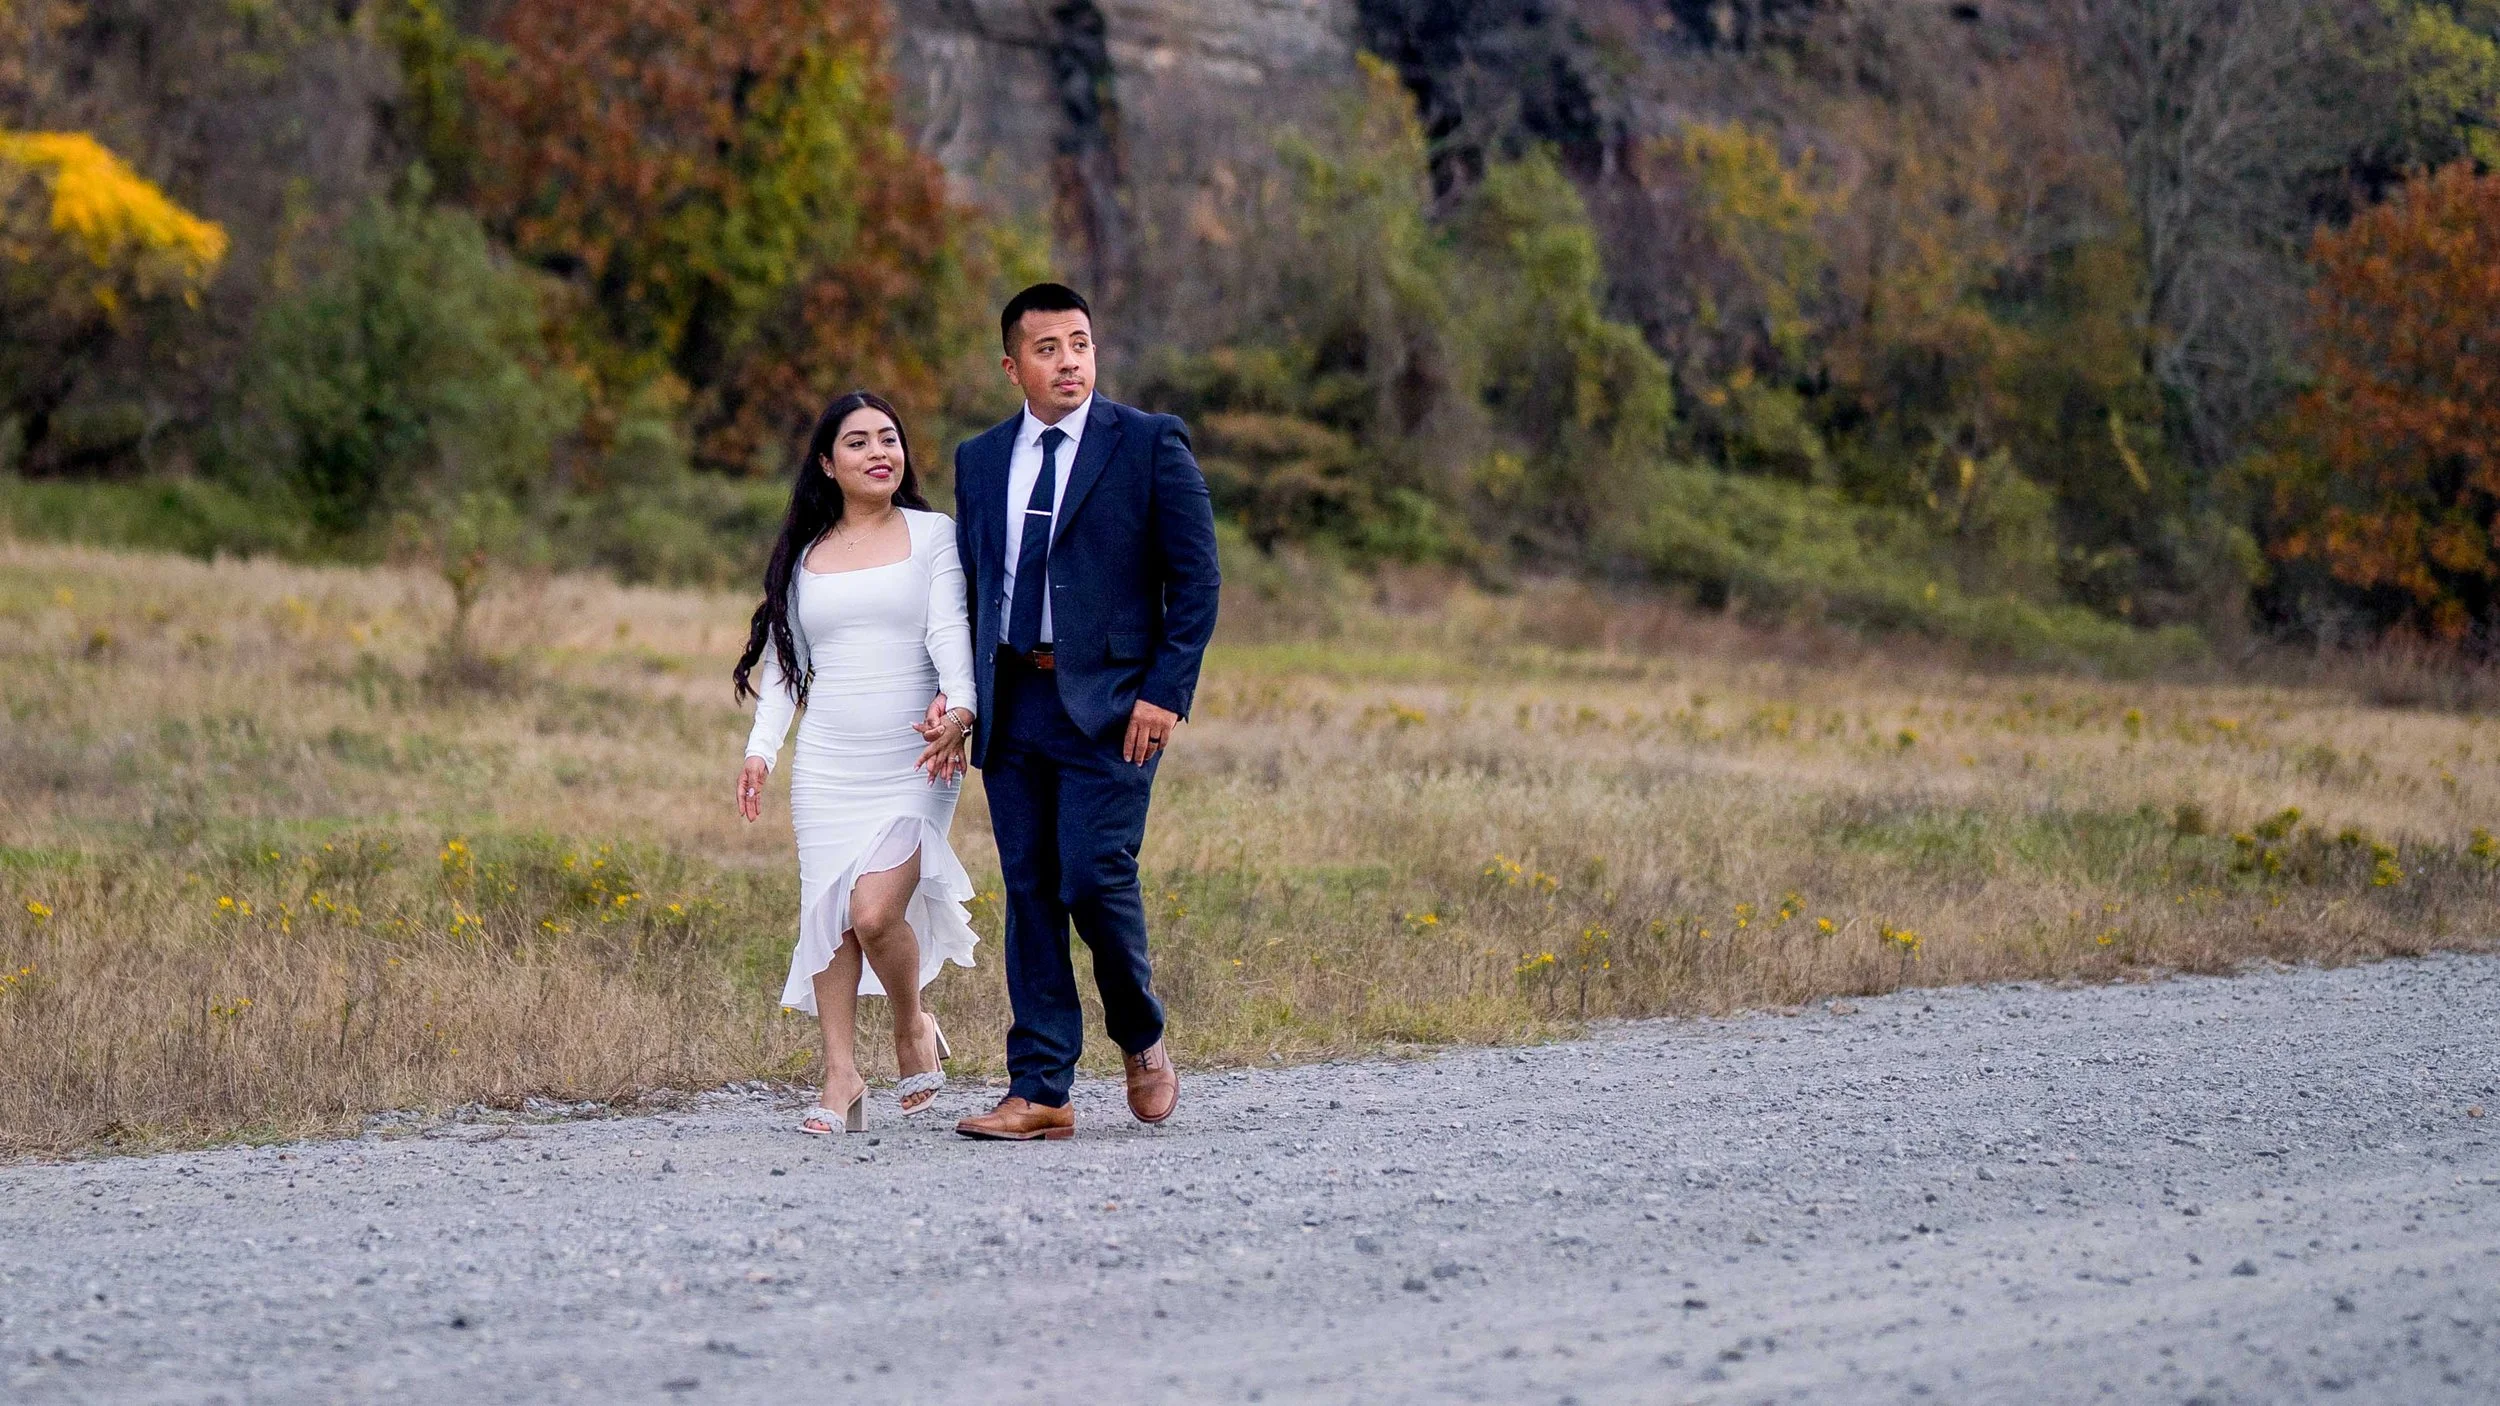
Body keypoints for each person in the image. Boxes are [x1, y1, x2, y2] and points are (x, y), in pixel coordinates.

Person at [948, 282, 1221, 1141]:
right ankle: (1042, 1090)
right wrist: (959, 696)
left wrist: (1165, 694)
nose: (1068, 361)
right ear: (1012, 366)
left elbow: (1198, 580)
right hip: (1014, 701)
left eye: (1080, 343)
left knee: (1093, 876)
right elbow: (972, 583)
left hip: (1112, 708)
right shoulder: (981, 460)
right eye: (1047, 348)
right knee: (1030, 891)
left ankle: (1141, 1035)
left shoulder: (1146, 444)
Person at [734, 390, 981, 1133]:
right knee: (827, 914)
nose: (879, 452)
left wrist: (962, 712)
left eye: (889, 439)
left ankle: (912, 1024)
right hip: (829, 760)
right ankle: (839, 1077)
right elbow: (786, 669)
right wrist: (760, 754)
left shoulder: (935, 536)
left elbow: (951, 632)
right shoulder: (806, 558)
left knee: (874, 913)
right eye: (859, 442)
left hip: (916, 754)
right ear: (827, 464)